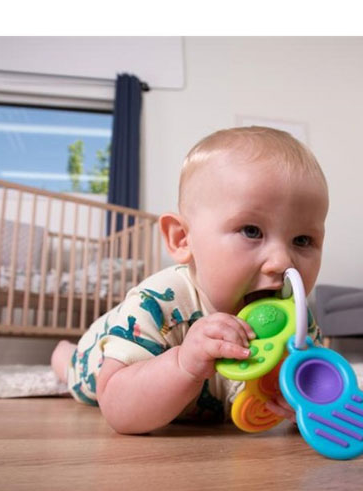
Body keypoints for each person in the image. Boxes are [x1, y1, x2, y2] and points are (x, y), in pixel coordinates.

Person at [51, 126, 329, 434]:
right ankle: (62, 355)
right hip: (99, 354)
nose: (282, 261)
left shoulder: (297, 320)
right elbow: (118, 410)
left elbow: (315, 388)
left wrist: (302, 403)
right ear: (182, 239)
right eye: (252, 231)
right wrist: (183, 364)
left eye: (302, 240)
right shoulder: (159, 302)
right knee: (73, 369)